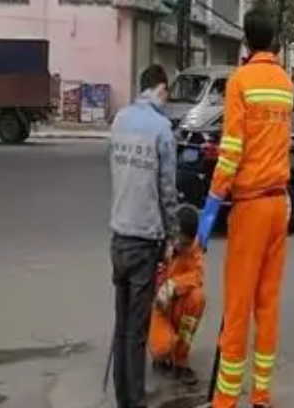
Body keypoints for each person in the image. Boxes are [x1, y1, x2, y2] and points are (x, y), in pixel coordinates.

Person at [198, 8, 294, 408]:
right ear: (273, 42)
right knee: (267, 304)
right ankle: (262, 394)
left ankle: (224, 401)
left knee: (238, 304)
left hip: (252, 206)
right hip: (280, 205)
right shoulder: (286, 85)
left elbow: (233, 150)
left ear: (245, 41)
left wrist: (211, 203)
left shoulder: (241, 82)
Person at [110, 64, 178, 408]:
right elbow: (167, 192)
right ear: (161, 90)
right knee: (136, 332)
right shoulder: (162, 129)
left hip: (119, 236)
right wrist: (173, 238)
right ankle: (134, 402)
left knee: (122, 327)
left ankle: (124, 396)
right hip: (144, 241)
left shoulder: (119, 120)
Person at [149, 205, 206, 386]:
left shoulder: (194, 246)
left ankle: (181, 359)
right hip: (158, 306)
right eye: (180, 241)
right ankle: (161, 356)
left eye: (186, 243)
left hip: (177, 299)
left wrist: (173, 285)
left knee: (197, 299)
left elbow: (197, 275)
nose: (183, 246)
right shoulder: (159, 241)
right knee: (162, 346)